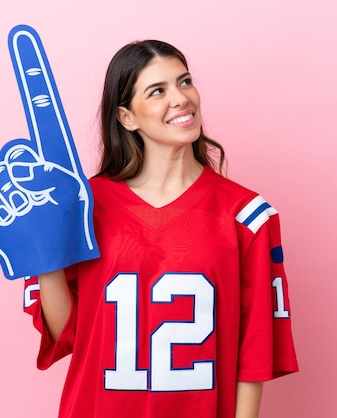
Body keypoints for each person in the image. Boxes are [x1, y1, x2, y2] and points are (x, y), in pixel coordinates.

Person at [23, 39, 299, 418]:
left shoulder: (247, 215)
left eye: (184, 82)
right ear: (127, 118)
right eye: (158, 91)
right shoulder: (82, 207)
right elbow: (68, 333)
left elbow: (254, 354)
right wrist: (42, 251)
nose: (181, 98)